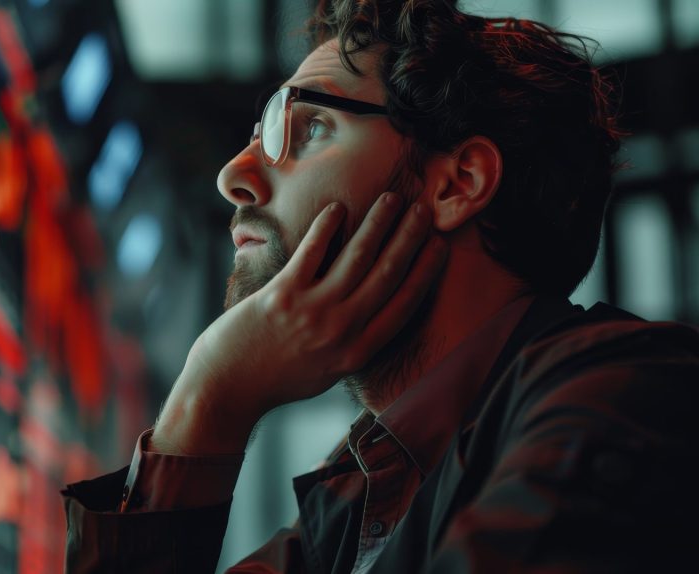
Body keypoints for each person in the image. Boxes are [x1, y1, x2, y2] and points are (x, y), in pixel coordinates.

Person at [63, 0, 699, 571]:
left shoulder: (625, 396)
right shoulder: (360, 488)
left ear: (457, 183)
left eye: (306, 127)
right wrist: (209, 397)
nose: (234, 175)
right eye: (258, 135)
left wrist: (213, 396)